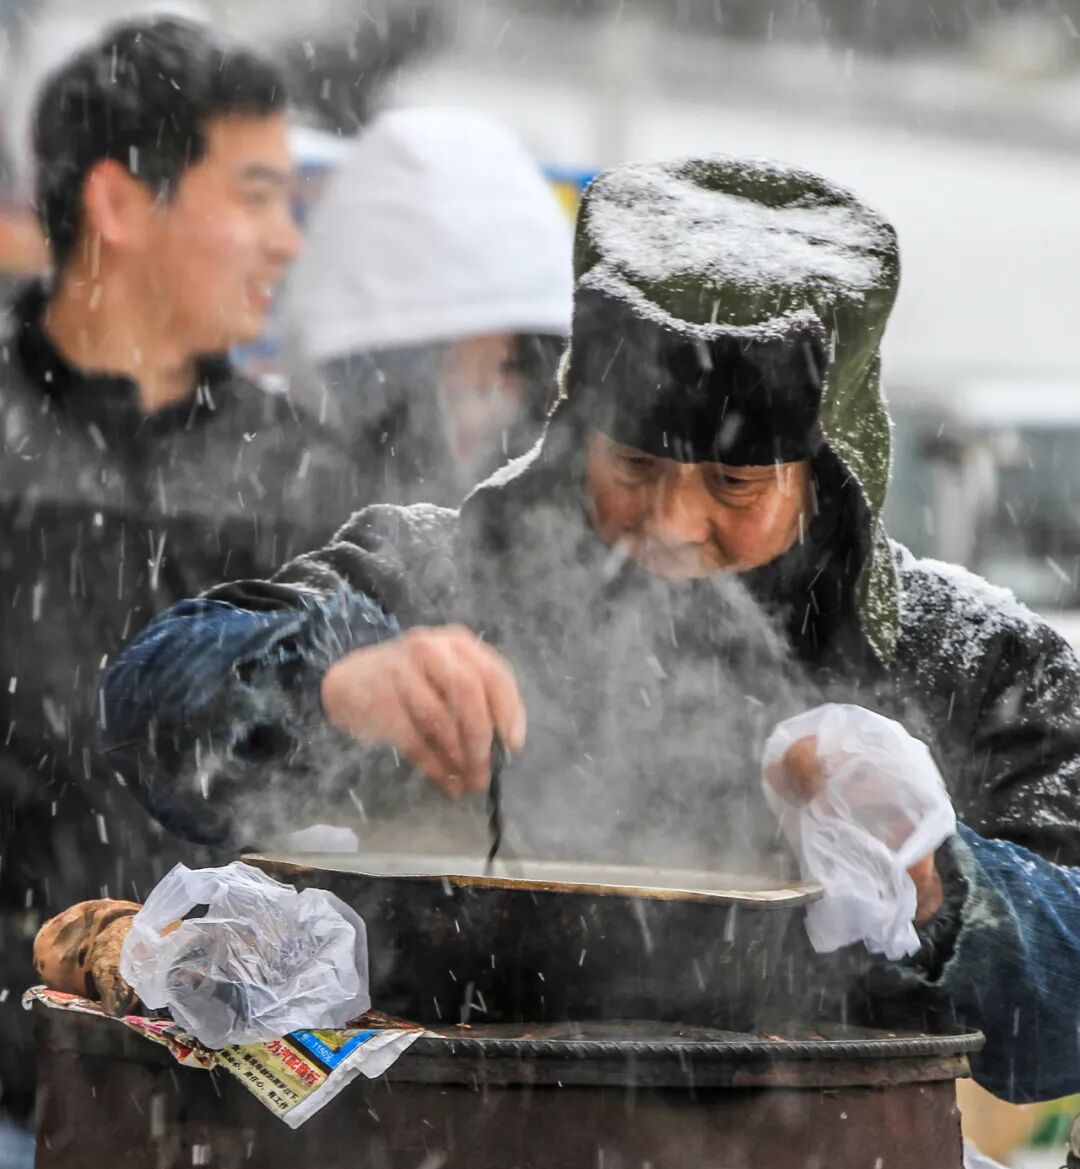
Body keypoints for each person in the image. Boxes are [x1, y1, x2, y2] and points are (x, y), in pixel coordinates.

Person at [101, 154, 1080, 1107]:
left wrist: (943, 879)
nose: (670, 523)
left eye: (735, 484)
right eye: (635, 466)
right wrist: (330, 679)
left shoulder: (962, 660)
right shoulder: (442, 578)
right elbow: (152, 703)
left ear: (832, 478)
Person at [0, 14, 367, 1112]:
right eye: (254, 195)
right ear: (118, 204)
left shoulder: (307, 477)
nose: (286, 240)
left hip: (240, 1120)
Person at [281, 105, 573, 508]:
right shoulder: (292, 500)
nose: (475, 413)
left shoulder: (560, 514)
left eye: (507, 368)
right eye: (448, 369)